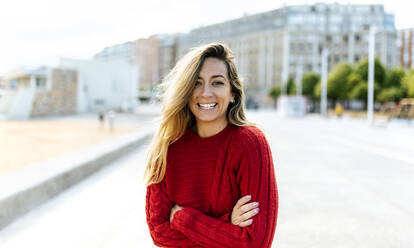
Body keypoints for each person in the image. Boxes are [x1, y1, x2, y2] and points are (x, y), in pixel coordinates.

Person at [145, 43, 278, 248]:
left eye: (217, 83)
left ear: (233, 92)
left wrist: (182, 218)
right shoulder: (167, 147)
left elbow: (255, 242)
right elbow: (159, 234)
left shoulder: (250, 143)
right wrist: (227, 224)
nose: (206, 93)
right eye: (197, 83)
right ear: (186, 91)